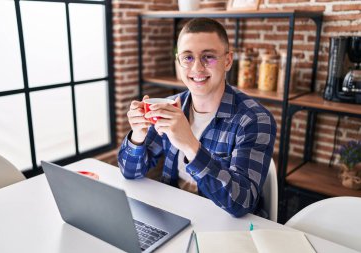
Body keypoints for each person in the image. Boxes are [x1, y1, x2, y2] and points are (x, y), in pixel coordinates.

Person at [118, 18, 276, 218]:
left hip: (225, 223)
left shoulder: (255, 120)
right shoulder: (169, 107)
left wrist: (191, 145)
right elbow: (130, 172)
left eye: (208, 57)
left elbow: (241, 202)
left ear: (227, 61)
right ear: (178, 62)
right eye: (188, 58)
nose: (197, 68)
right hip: (174, 213)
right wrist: (138, 136)